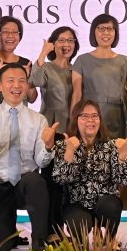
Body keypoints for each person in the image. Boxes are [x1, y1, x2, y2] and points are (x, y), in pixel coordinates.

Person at [0, 63, 59, 251]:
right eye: (10, 81)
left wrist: (48, 146)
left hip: (24, 185)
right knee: (1, 248)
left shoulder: (38, 119)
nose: (17, 86)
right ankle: (7, 232)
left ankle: (39, 242)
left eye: (22, 81)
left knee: (36, 181)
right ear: (0, 86)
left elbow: (41, 162)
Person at [53, 100, 127, 246]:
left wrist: (123, 155)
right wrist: (70, 152)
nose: (90, 120)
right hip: (76, 203)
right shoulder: (65, 144)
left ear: (100, 120)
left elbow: (123, 180)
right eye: (84, 116)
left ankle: (110, 237)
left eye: (94, 116)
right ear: (75, 120)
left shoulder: (111, 145)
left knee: (111, 206)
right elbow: (61, 179)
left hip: (104, 202)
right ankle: (83, 234)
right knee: (78, 227)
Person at [29, 26, 80, 238]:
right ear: (54, 44)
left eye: (70, 40)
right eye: (61, 40)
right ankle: (49, 229)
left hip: (72, 131)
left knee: (67, 183)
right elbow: (35, 82)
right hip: (51, 130)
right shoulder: (46, 67)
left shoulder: (77, 70)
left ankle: (61, 228)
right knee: (50, 181)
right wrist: (42, 53)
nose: (66, 44)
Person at [72, 15, 127, 138]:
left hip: (116, 116)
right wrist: (73, 122)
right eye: (101, 28)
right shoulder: (82, 60)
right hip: (90, 117)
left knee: (116, 154)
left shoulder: (125, 60)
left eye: (110, 29)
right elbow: (77, 94)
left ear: (115, 32)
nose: (106, 32)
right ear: (93, 32)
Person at [0, 16, 37, 108]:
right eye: (5, 32)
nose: (10, 35)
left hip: (20, 119)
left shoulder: (26, 63)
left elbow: (32, 99)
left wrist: (28, 79)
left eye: (15, 32)